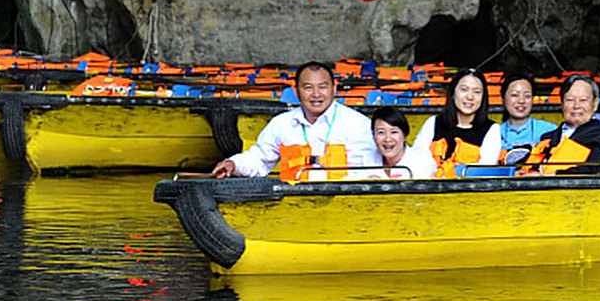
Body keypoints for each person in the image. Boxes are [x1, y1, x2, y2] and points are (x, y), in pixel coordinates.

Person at [210, 61, 376, 179]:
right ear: (296, 91)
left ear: (334, 89)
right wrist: (233, 164)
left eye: (323, 87)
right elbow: (259, 158)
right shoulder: (281, 124)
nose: (316, 94)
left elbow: (371, 170)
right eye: (308, 88)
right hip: (293, 204)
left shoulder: (357, 124)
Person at [522, 74, 600, 174]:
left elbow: (597, 170)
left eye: (583, 100)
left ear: (595, 104)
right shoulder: (548, 139)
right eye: (570, 100)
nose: (576, 106)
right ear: (562, 103)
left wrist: (554, 175)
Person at [413, 68, 502, 177]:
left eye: (477, 92)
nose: (470, 97)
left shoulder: (492, 129)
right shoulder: (432, 123)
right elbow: (416, 159)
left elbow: (485, 169)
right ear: (453, 92)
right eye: (464, 89)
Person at [493, 73, 556, 168]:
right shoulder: (494, 133)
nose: (521, 101)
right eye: (514, 95)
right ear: (502, 99)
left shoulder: (549, 130)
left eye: (527, 96)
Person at [366, 106, 430, 178]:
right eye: (381, 132)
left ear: (404, 135)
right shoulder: (366, 159)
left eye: (394, 132)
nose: (388, 139)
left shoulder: (421, 161)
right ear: (373, 135)